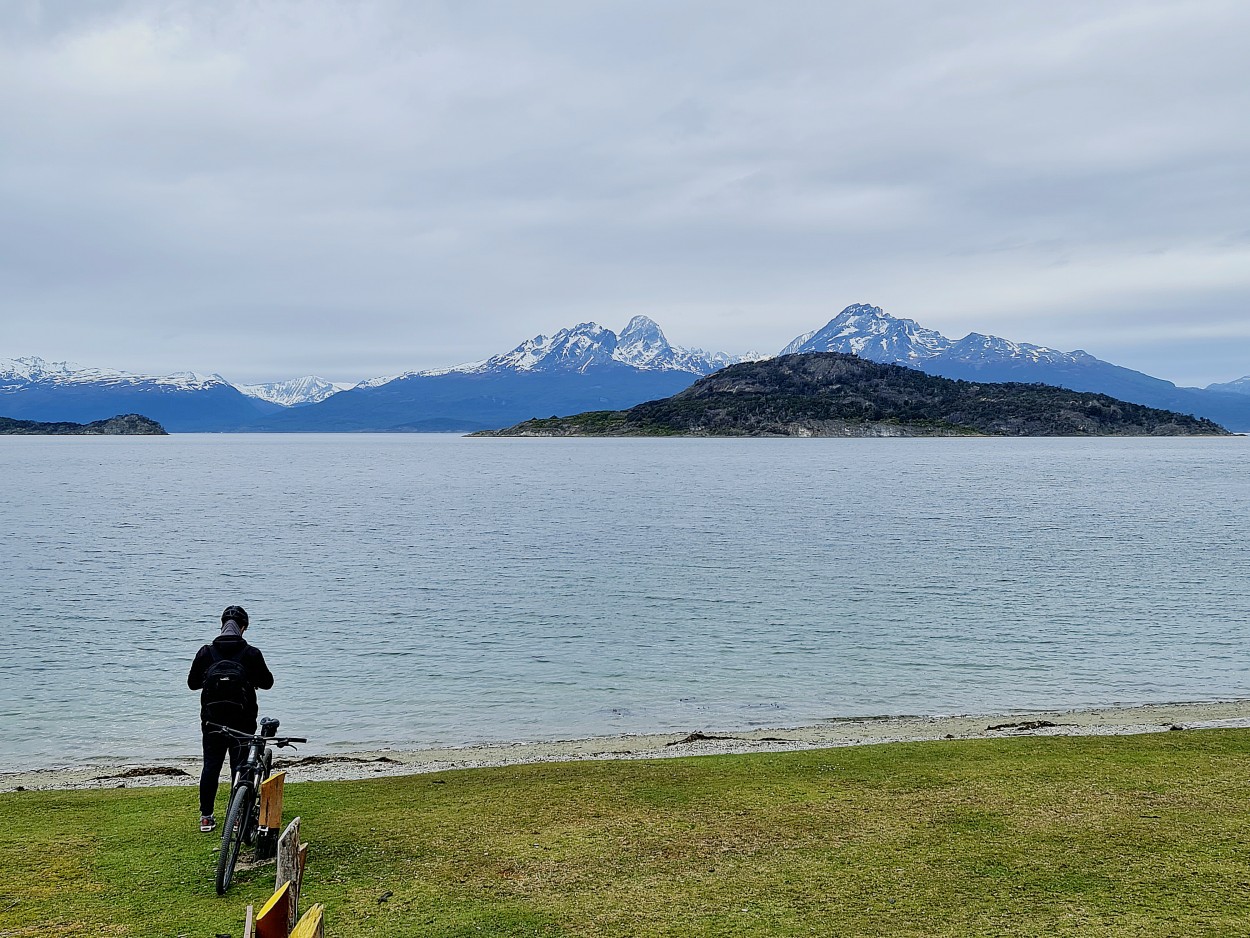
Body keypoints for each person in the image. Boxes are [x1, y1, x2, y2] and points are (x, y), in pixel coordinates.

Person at [187, 605, 274, 833]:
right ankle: (237, 819)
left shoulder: (206, 652)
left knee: (211, 767)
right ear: (243, 628)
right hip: (243, 721)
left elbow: (192, 684)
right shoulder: (251, 653)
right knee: (240, 766)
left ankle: (206, 817)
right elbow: (267, 683)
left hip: (212, 722)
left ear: (222, 624)